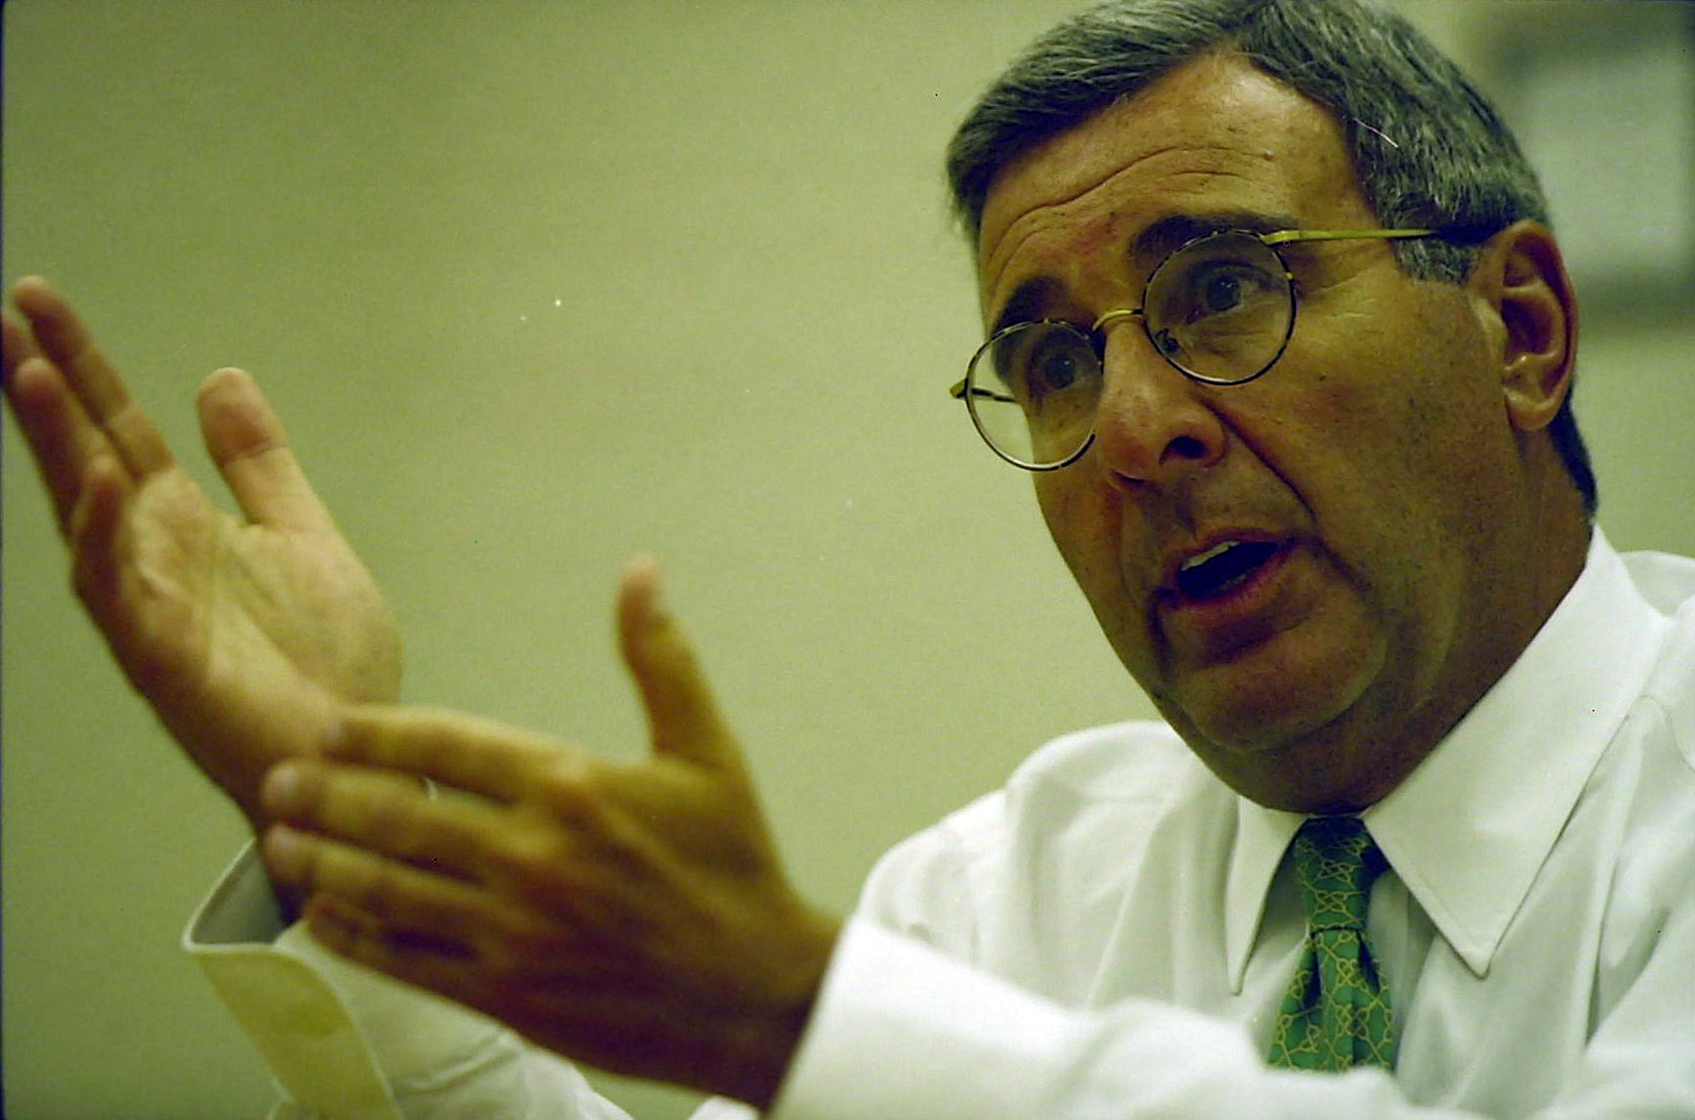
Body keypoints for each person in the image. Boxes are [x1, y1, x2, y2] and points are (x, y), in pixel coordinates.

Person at [4, 0, 1692, 1117]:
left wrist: (798, 1017)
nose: (1132, 428)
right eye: (1051, 361)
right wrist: (343, 805)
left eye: (1226, 291)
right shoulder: (1000, 895)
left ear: (1521, 331)